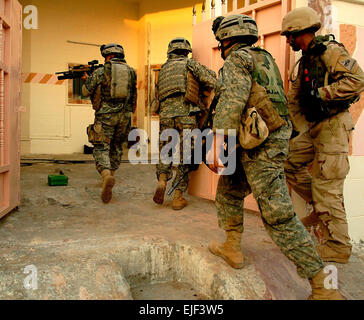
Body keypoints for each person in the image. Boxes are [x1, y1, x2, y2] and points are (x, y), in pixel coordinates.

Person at [207, 14, 344, 299]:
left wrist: (218, 144)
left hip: (260, 144)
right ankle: (232, 247)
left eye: (221, 40)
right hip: (263, 138)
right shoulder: (264, 57)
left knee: (278, 215)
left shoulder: (236, 60)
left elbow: (232, 101)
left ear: (227, 40)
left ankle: (322, 284)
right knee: (229, 191)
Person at [281, 7, 364, 263]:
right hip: (313, 127)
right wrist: (286, 129)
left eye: (289, 36)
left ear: (300, 32)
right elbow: (294, 100)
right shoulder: (305, 60)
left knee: (328, 187)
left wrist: (322, 94)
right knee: (288, 160)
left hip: (333, 126)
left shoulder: (330, 51)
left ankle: (339, 247)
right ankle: (319, 205)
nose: (288, 41)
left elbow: (358, 79)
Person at [153, 37, 216, 210]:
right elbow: (211, 80)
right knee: (185, 156)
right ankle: (178, 196)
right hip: (186, 115)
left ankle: (162, 179)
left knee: (165, 151)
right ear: (186, 52)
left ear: (170, 52)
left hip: (166, 116)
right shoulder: (190, 64)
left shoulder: (163, 70)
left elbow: (155, 98)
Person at [82, 43, 137, 204]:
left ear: (109, 56)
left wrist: (87, 80)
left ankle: (106, 175)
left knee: (101, 147)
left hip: (106, 117)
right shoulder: (132, 72)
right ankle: (111, 174)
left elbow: (86, 92)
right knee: (117, 146)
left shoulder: (101, 71)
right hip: (125, 117)